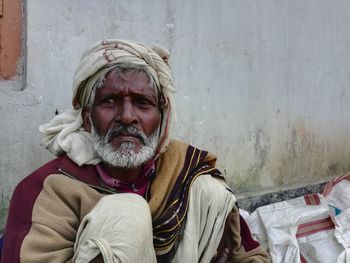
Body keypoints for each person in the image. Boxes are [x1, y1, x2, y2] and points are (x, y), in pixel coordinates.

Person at [0, 39, 271, 262]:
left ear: (161, 119)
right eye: (110, 101)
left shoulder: (185, 171)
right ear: (87, 118)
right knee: (127, 214)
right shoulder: (47, 189)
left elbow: (249, 255)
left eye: (142, 103)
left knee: (209, 192)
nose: (127, 116)